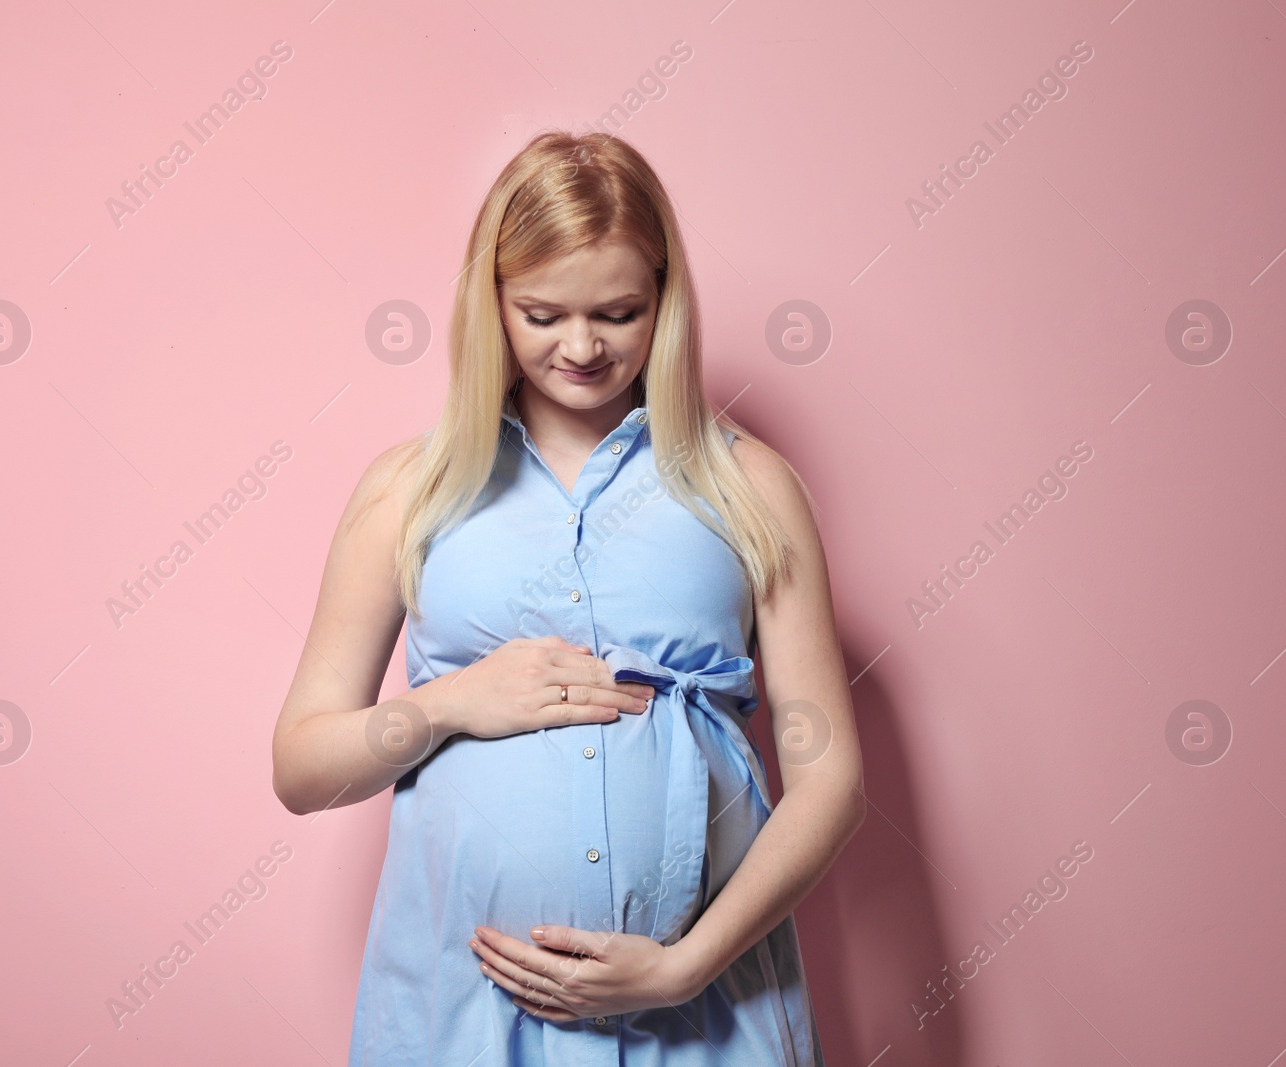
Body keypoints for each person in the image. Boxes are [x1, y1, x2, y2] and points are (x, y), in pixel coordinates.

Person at [271, 130, 865, 1066]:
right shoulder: (406, 493)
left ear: (665, 301)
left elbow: (829, 777)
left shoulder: (753, 488)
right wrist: (447, 704)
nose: (583, 347)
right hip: (463, 1017)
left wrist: (686, 965)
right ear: (491, 305)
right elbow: (302, 767)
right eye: (543, 313)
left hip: (709, 1012)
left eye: (619, 312)